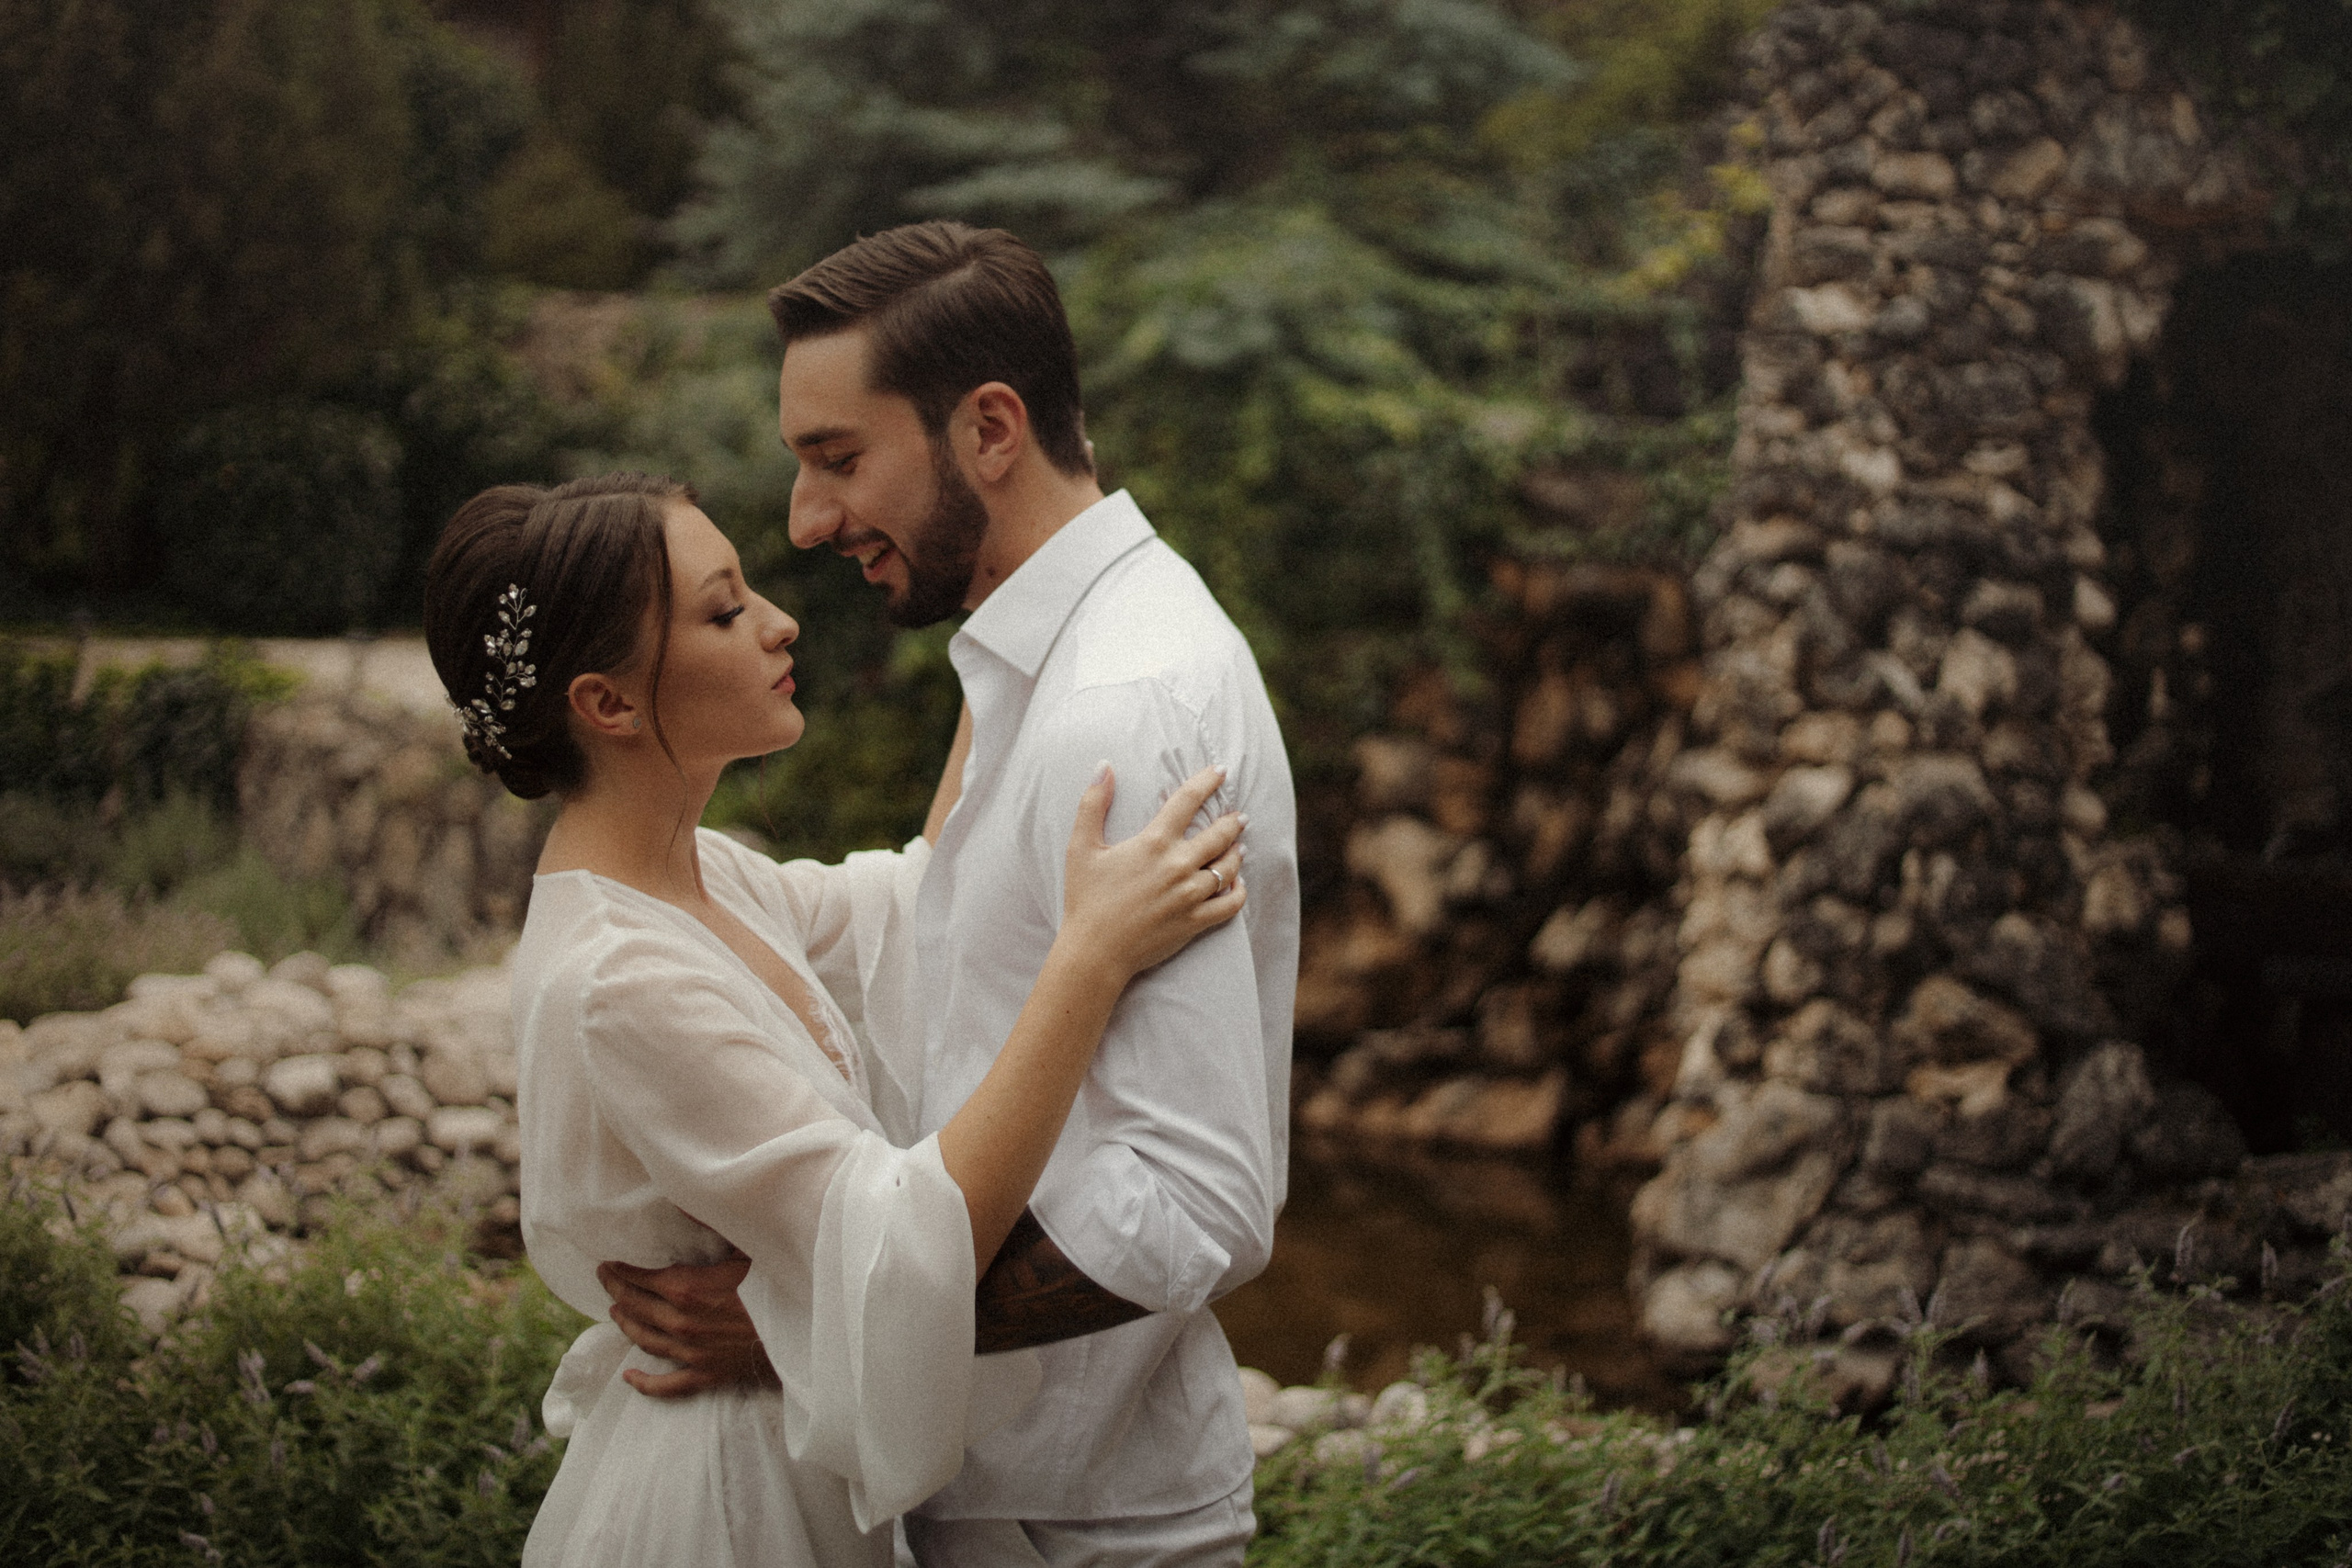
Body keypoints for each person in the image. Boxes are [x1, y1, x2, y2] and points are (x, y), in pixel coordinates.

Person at [598, 222, 1299, 1567]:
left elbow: (1197, 1200)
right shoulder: (1038, 664)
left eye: (838, 459)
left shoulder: (1124, 704)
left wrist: (817, 1314)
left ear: (989, 428)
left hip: (1083, 1526)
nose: (806, 522)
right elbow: (934, 951)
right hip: (1007, 1497)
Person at [422, 470, 1250, 1567]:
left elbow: (922, 896)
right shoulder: (616, 978)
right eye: (724, 611)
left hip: (789, 1467)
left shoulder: (702, 878)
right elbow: (912, 1229)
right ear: (607, 703)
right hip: (720, 1506)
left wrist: (1008, 618)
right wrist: (1089, 959)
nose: (780, 621)